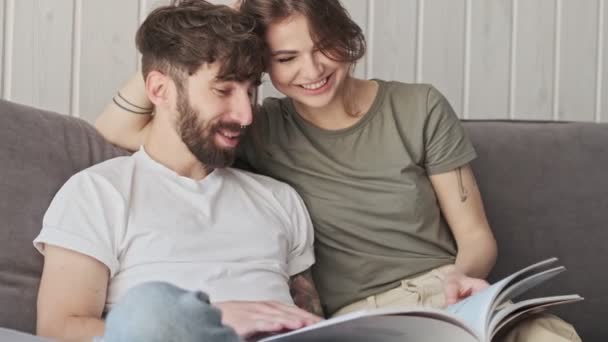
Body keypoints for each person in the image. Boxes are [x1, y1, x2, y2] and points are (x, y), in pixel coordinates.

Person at [95, 0, 581, 341]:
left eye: (323, 46)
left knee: (549, 335)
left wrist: (461, 281)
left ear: (344, 38)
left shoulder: (418, 106)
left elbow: (476, 237)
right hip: (365, 317)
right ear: (264, 66)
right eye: (286, 59)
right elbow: (117, 126)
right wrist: (201, 26)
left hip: (450, 288)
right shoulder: (258, 127)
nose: (312, 70)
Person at [33, 2, 323, 342]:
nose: (245, 115)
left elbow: (314, 320)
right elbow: (58, 329)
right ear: (160, 90)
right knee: (152, 307)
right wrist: (210, 319)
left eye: (250, 91)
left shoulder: (279, 198)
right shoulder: (97, 193)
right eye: (223, 90)